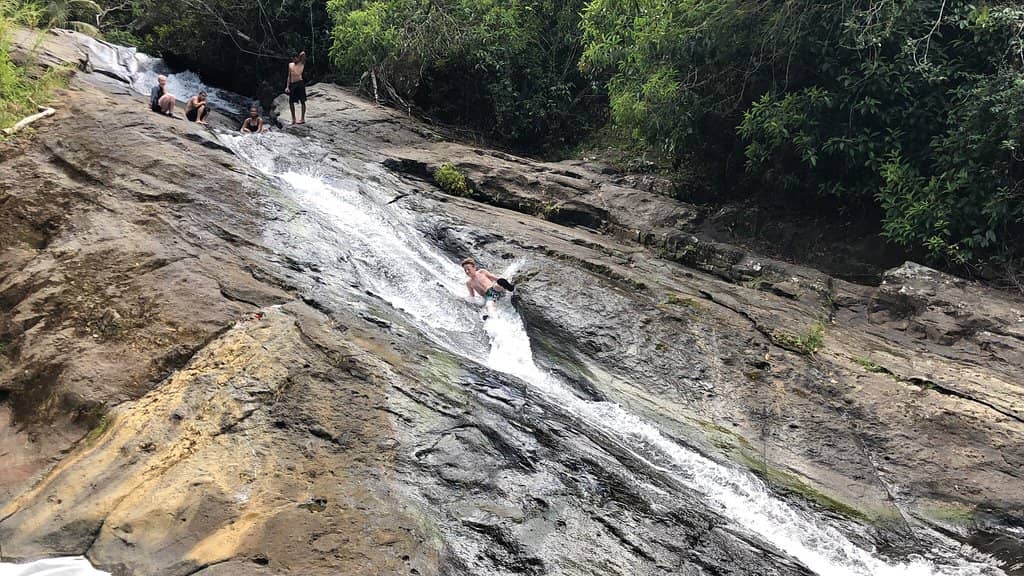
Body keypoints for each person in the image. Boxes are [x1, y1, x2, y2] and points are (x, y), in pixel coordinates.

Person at [284, 51, 307, 125]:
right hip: (292, 84)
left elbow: (303, 53)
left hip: (300, 83)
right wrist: (287, 86)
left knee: (302, 101)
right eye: (293, 58)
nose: (294, 60)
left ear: (298, 58)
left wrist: (299, 58)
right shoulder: (290, 65)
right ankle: (293, 119)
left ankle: (302, 118)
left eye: (295, 58)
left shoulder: (301, 63)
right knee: (291, 102)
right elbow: (289, 76)